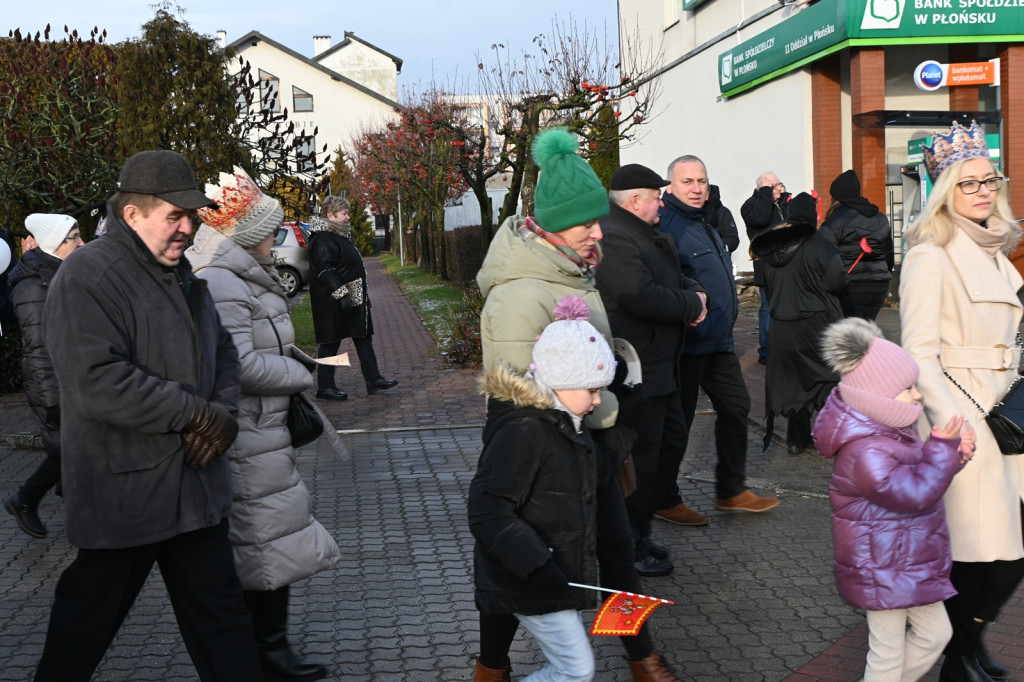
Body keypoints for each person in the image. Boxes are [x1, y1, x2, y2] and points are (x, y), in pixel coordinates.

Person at [35, 149, 263, 681]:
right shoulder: (88, 275)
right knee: (80, 633)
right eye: (174, 216)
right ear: (132, 214)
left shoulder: (183, 275)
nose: (187, 229)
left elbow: (223, 354)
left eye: (192, 216)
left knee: (226, 626)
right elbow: (96, 382)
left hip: (195, 493)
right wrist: (196, 415)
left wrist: (222, 413)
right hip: (126, 498)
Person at [476, 129, 680, 681]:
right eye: (586, 224)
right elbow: (520, 390)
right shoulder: (521, 292)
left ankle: (641, 656)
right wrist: (609, 410)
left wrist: (613, 390)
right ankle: (491, 668)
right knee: (522, 570)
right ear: (550, 226)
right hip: (542, 449)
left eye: (598, 221)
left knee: (616, 551)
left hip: (588, 434)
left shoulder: (571, 270)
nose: (598, 232)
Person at [189, 167, 341, 681]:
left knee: (270, 538)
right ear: (251, 236)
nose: (279, 239)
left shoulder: (241, 275)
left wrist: (294, 358)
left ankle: (267, 648)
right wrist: (301, 371)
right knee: (264, 540)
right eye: (273, 231)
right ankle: (266, 652)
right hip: (247, 433)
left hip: (264, 431)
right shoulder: (221, 281)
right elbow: (240, 363)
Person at [899, 120, 1024, 682]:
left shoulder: (997, 249)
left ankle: (966, 642)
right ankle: (957, 655)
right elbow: (918, 355)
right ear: (945, 190)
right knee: (981, 553)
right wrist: (953, 422)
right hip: (966, 418)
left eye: (988, 179)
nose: (981, 190)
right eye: (967, 182)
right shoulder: (932, 256)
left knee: (1012, 553)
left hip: (1010, 414)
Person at [813, 317, 975, 682]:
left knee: (936, 635)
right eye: (907, 388)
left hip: (906, 560)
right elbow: (914, 493)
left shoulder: (890, 433)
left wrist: (953, 456)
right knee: (886, 654)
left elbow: (920, 478)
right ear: (878, 397)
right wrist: (942, 451)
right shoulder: (865, 450)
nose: (917, 395)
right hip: (880, 566)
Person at [469, 296, 617, 682]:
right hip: (531, 578)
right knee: (575, 671)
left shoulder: (567, 426)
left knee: (571, 669)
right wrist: (537, 565)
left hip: (552, 574)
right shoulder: (527, 432)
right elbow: (488, 510)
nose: (598, 400)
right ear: (563, 381)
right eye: (593, 389)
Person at [597, 163, 708, 576]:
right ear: (635, 201)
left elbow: (677, 277)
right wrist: (691, 306)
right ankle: (628, 544)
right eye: (657, 195)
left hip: (662, 367)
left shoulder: (645, 233)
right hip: (637, 371)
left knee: (665, 451)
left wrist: (694, 292)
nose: (663, 201)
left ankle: (640, 533)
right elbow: (640, 296)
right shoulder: (616, 236)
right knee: (639, 463)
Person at [658, 155, 780, 514]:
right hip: (687, 344)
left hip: (718, 343)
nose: (697, 188)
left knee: (737, 406)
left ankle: (731, 489)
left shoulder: (704, 221)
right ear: (670, 186)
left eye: (702, 181)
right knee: (677, 425)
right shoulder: (667, 225)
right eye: (688, 182)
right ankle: (663, 498)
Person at [4, 214, 85, 538]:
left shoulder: (61, 274)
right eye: (74, 237)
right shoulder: (33, 286)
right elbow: (39, 348)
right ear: (54, 244)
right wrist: (54, 400)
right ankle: (25, 499)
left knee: (73, 450)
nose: (82, 243)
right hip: (53, 385)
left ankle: (66, 503)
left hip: (71, 380)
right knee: (69, 449)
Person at [749, 192, 845, 454]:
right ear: (812, 216)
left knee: (794, 381)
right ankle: (830, 437)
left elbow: (765, 284)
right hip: (816, 324)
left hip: (781, 326)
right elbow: (837, 282)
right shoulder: (821, 245)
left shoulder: (771, 248)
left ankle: (795, 440)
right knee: (826, 379)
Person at [308, 195, 397, 400]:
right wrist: (341, 295)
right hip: (331, 300)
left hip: (352, 293)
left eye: (347, 213)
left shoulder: (338, 235)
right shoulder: (322, 238)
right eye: (344, 213)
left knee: (363, 336)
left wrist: (359, 297)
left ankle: (373, 379)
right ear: (330, 215)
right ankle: (325, 387)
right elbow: (325, 270)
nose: (348, 217)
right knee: (330, 341)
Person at [819, 169, 894, 320]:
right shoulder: (880, 218)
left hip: (850, 286)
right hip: (879, 285)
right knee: (867, 331)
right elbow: (888, 253)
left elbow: (824, 258)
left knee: (850, 335)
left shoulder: (834, 222)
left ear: (837, 196)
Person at [740, 171, 790, 365]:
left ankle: (784, 349)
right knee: (768, 309)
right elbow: (759, 219)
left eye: (778, 184)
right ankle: (766, 352)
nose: (778, 188)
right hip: (767, 266)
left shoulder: (782, 204)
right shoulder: (751, 206)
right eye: (773, 185)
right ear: (763, 188)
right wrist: (765, 194)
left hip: (788, 265)